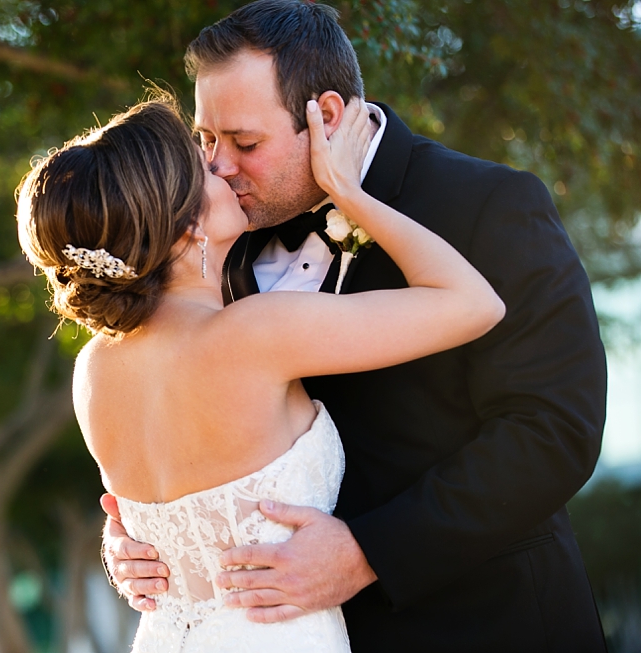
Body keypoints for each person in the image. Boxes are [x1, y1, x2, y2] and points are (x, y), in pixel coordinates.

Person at [102, 2, 609, 651]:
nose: (219, 168)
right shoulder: (219, 238)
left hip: (492, 622)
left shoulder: (491, 205)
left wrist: (370, 551)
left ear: (327, 117)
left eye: (245, 142)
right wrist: (151, 530)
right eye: (206, 140)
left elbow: (555, 428)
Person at [17, 89, 503, 650]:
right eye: (202, 165)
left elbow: (164, 516)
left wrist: (122, 545)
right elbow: (474, 304)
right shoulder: (256, 333)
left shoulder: (94, 369)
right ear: (186, 228)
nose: (222, 166)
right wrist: (350, 190)